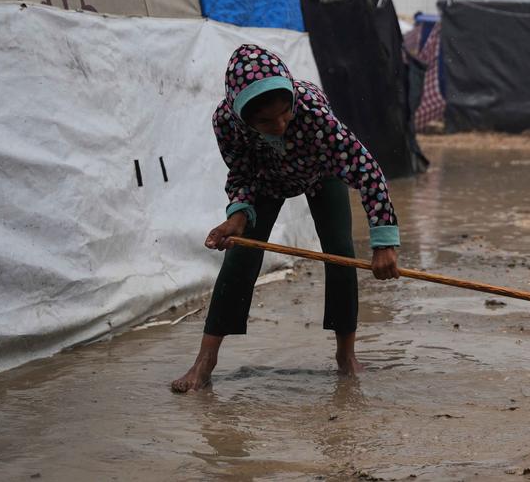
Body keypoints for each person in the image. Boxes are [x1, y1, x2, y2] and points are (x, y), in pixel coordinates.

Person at [171, 44, 401, 393]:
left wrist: (383, 243)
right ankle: (205, 361)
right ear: (243, 117)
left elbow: (367, 172)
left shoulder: (313, 114)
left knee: (340, 252)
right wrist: (238, 214)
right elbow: (241, 172)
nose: (280, 125)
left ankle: (346, 354)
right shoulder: (226, 123)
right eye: (265, 121)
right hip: (267, 180)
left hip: (321, 173)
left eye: (284, 113)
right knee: (240, 256)